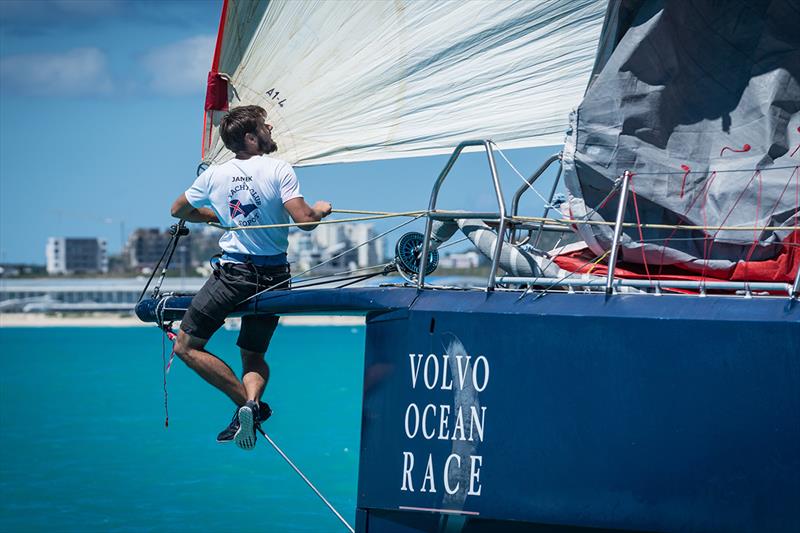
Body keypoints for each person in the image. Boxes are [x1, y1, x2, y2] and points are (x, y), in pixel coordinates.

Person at [170, 105, 332, 450]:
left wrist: (211, 216)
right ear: (251, 136)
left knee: (185, 347)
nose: (270, 127)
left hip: (234, 275)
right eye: (264, 125)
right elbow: (304, 220)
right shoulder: (279, 169)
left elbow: (178, 210)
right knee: (252, 353)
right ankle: (252, 403)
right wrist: (321, 208)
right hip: (275, 276)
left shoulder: (214, 175)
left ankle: (244, 405)